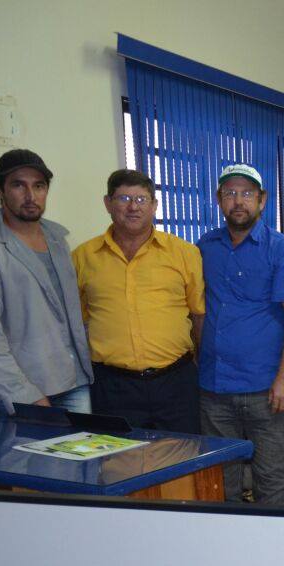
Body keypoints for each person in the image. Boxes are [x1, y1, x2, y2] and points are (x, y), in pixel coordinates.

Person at [197, 164, 284, 504]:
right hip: (215, 389)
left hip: (266, 390)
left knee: (271, 480)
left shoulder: (282, 248)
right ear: (219, 199)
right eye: (230, 193)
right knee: (220, 482)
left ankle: (274, 540)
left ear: (262, 200)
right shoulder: (205, 247)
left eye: (247, 193)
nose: (238, 201)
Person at [73, 169, 204, 432]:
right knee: (120, 456)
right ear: (108, 203)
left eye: (142, 199)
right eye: (123, 199)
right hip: (112, 387)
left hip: (175, 383)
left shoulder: (184, 253)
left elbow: (198, 314)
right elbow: (79, 320)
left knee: (183, 453)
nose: (133, 207)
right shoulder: (83, 257)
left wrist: (198, 364)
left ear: (154, 205)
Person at [0, 149, 92, 413]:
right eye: (18, 185)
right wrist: (27, 396)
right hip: (27, 392)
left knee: (87, 444)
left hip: (74, 380)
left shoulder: (59, 241)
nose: (31, 196)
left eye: (39, 186)